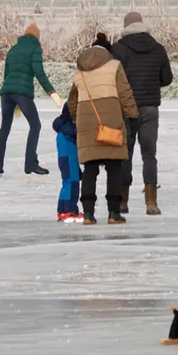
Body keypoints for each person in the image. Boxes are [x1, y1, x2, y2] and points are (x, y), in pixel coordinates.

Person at [67, 45, 138, 225]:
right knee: (114, 167)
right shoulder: (114, 66)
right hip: (111, 118)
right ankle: (114, 213)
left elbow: (72, 101)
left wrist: (77, 120)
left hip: (86, 121)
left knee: (90, 168)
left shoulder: (79, 73)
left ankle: (89, 214)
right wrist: (132, 115)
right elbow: (124, 93)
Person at [112, 12, 172, 216]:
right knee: (149, 155)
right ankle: (151, 203)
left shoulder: (118, 49)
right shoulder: (158, 48)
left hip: (125, 109)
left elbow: (112, 78)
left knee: (125, 154)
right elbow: (167, 78)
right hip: (149, 108)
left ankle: (122, 201)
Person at [0, 24, 61, 177]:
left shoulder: (13, 49)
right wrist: (51, 92)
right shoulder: (34, 49)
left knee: (4, 128)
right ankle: (31, 163)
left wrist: (10, 96)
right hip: (22, 93)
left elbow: (6, 74)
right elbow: (39, 72)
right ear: (37, 37)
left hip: (6, 93)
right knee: (35, 125)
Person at [53, 104, 83, 223]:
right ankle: (66, 210)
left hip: (69, 156)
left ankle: (67, 209)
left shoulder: (66, 128)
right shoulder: (68, 129)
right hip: (67, 156)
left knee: (73, 180)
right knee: (70, 182)